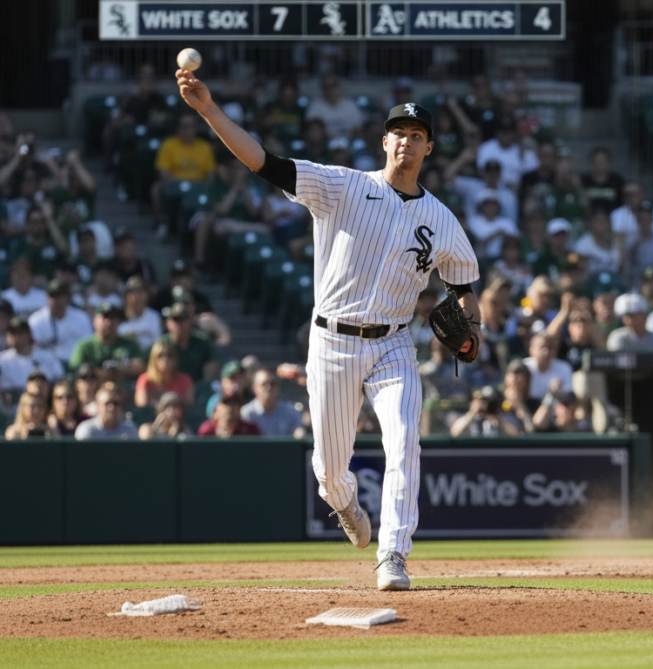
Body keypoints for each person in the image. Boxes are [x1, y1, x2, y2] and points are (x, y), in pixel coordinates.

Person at [178, 70, 482, 591]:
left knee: (405, 440)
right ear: (383, 141)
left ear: (429, 148)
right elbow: (262, 161)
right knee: (330, 471)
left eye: (417, 135)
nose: (406, 141)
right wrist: (208, 110)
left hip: (394, 344)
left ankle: (393, 554)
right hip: (332, 342)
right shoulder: (343, 186)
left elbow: (464, 287)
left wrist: (472, 328)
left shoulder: (442, 219)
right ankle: (345, 506)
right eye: (398, 133)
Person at [151, 113, 216, 234]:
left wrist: (199, 185)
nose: (187, 130)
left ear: (196, 128)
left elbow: (210, 175)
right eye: (184, 126)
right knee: (156, 188)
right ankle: (160, 222)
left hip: (199, 187)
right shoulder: (168, 145)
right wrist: (186, 183)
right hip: (173, 185)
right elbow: (163, 173)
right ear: (178, 129)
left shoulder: (205, 147)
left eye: (190, 126)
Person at [29, 280, 92, 365]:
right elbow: (32, 347)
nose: (56, 300)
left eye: (59, 296)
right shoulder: (36, 320)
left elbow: (87, 345)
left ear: (67, 298)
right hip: (46, 365)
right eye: (52, 296)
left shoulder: (81, 318)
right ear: (47, 298)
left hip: (74, 363)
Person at [0, 316, 65, 395]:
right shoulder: (2, 360)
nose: (15, 337)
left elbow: (60, 380)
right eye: (11, 333)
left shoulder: (46, 355)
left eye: (19, 333)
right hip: (13, 400)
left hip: (44, 399)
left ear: (29, 334)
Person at [159, 302, 218, 383]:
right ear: (168, 323)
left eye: (183, 319)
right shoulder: (163, 343)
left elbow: (210, 371)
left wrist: (205, 385)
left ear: (190, 321)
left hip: (197, 387)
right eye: (176, 319)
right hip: (169, 386)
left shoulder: (202, 341)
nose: (180, 324)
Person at [241, 367, 303, 436]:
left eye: (272, 383)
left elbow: (298, 433)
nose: (269, 387)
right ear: (254, 388)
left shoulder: (290, 411)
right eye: (264, 384)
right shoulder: (246, 413)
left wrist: (299, 434)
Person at [135, 339, 194, 409]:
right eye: (161, 355)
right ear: (153, 358)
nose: (165, 359)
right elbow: (142, 408)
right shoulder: (145, 380)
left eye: (170, 355)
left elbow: (190, 407)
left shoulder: (184, 380)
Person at [450, 384, 523, 437]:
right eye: (483, 402)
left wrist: (499, 422)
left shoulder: (503, 418)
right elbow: (454, 433)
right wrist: (471, 413)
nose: (486, 406)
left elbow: (516, 435)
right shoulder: (473, 418)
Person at [74, 383, 139, 440]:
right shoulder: (87, 429)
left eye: (115, 403)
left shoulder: (129, 429)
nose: (112, 408)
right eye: (107, 403)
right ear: (97, 406)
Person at [522, 332, 573, 404]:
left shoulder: (564, 368)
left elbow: (568, 398)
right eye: (542, 347)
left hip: (555, 408)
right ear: (532, 350)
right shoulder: (524, 367)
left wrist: (556, 393)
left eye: (550, 347)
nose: (546, 351)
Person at [118, 277, 162, 351]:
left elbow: (158, 344)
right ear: (127, 295)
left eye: (141, 292)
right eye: (134, 292)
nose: (137, 296)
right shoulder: (118, 317)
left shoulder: (154, 317)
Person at [580, 147, 624, 214]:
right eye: (596, 162)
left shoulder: (618, 182)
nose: (599, 165)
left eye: (602, 162)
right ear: (591, 163)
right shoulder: (583, 181)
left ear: (609, 163)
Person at [198, 393, 262, 437]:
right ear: (217, 409)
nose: (230, 407)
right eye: (226, 403)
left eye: (234, 404)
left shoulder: (249, 430)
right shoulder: (207, 430)